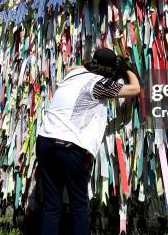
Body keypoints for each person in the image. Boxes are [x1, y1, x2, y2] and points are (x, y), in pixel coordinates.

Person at [36, 48, 141, 235]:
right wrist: (127, 69)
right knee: (79, 207)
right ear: (109, 71)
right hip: (68, 147)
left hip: (44, 141)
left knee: (51, 206)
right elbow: (135, 89)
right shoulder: (99, 84)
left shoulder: (73, 73)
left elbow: (75, 67)